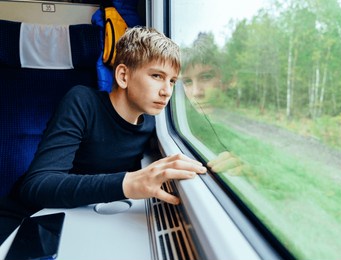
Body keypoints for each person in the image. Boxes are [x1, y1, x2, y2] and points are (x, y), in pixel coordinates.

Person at [0, 26, 206, 243]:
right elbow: (37, 185)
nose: (167, 91)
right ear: (123, 76)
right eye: (157, 76)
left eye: (172, 81)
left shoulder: (155, 124)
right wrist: (127, 184)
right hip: (25, 218)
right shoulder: (82, 102)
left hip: (83, 219)